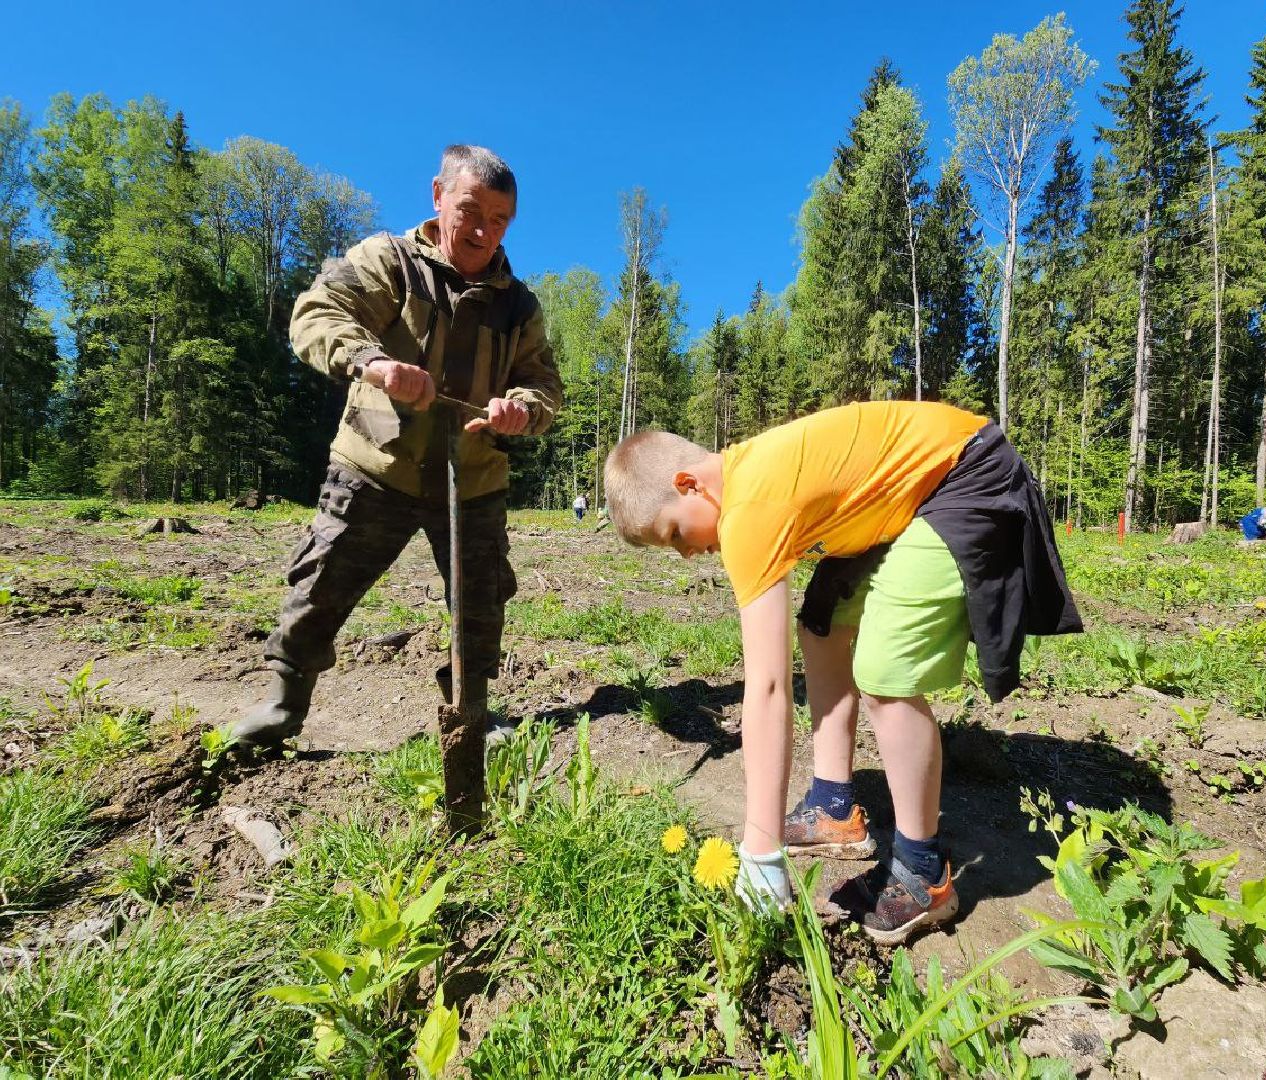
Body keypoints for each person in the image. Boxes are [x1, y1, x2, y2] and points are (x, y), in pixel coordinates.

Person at [603, 402, 1081, 943]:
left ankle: (922, 872)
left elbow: (766, 687)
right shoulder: (749, 477)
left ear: (689, 484)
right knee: (823, 625)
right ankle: (833, 806)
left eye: (672, 535)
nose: (686, 554)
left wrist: (760, 850)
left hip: (964, 474)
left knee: (884, 672)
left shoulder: (748, 508)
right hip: (903, 495)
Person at [233, 145, 563, 746]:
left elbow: (542, 382)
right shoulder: (388, 261)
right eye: (471, 211)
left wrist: (523, 410)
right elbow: (315, 314)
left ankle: (469, 710)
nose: (485, 231)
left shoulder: (520, 305)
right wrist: (375, 363)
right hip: (374, 467)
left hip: (475, 479)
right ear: (438, 196)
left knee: (480, 603)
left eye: (500, 220)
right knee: (322, 583)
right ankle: (283, 704)